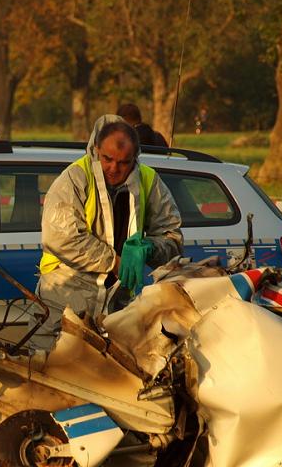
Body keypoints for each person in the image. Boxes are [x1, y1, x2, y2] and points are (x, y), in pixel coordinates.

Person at [33, 114, 183, 348]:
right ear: (95, 151)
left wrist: (149, 249)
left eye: (124, 162)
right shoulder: (74, 179)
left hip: (118, 304)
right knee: (53, 371)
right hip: (65, 299)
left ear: (135, 157)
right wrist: (115, 262)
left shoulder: (149, 180)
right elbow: (62, 239)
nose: (114, 168)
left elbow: (172, 237)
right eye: (108, 159)